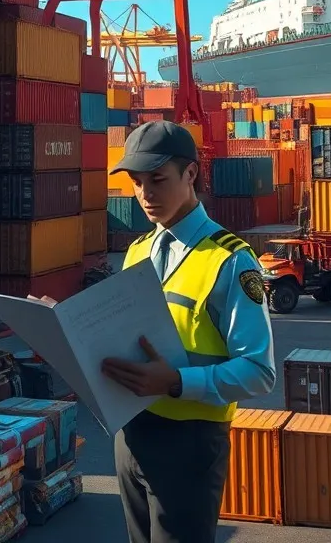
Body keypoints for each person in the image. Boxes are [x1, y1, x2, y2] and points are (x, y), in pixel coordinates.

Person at [100, 121, 276, 543]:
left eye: (157, 180)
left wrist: (177, 383)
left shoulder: (232, 261)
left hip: (190, 443)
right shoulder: (139, 250)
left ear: (192, 174)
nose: (145, 194)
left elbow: (259, 371)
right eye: (137, 182)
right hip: (131, 433)